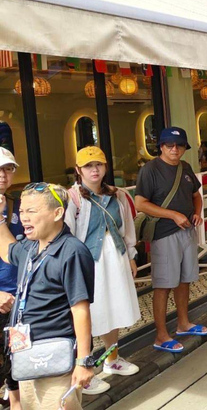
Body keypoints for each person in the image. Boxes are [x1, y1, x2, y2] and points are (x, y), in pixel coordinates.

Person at [0, 184, 95, 410]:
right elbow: (7, 252)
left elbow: (80, 310)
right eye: (22, 211)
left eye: (31, 211)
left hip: (57, 356)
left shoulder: (72, 251)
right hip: (27, 352)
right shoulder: (30, 246)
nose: (24, 217)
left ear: (57, 213)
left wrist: (83, 361)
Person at [64, 147, 141, 395]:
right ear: (78, 170)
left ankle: (111, 359)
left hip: (116, 257)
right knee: (86, 313)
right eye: (88, 166)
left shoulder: (118, 195)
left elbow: (127, 228)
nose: (94, 170)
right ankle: (83, 371)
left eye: (98, 164)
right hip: (88, 262)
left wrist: (131, 256)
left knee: (114, 308)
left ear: (106, 167)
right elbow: (66, 235)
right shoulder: (72, 198)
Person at [134, 127, 207, 354]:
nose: (174, 149)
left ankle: (183, 323)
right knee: (164, 284)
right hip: (164, 233)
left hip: (187, 231)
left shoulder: (185, 167)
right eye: (169, 145)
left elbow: (196, 195)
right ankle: (161, 335)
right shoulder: (150, 169)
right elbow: (140, 203)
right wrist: (173, 215)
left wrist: (197, 213)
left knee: (185, 279)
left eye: (179, 145)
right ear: (161, 147)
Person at [0, 148, 21, 410]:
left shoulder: (19, 205)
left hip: (19, 299)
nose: (3, 175)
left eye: (8, 169)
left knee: (17, 360)